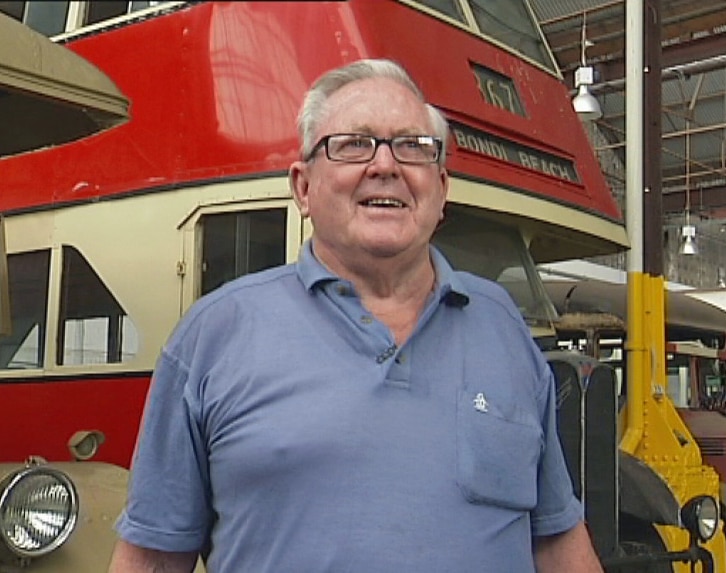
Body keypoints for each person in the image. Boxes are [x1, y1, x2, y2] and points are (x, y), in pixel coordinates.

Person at [108, 58, 603, 573]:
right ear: (303, 187)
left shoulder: (503, 327)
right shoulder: (214, 335)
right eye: (353, 144)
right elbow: (153, 557)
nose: (386, 166)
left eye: (413, 146)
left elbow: (555, 539)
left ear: (441, 189)